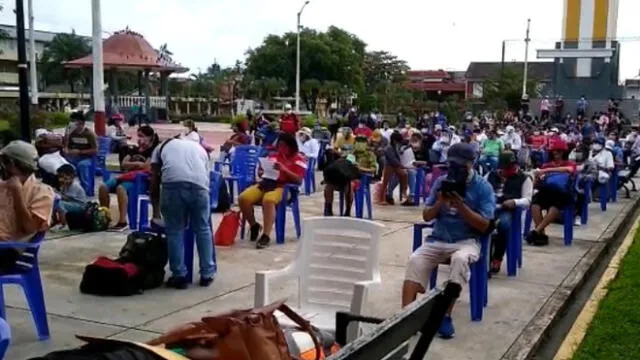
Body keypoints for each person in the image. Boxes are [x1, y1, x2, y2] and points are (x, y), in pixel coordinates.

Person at [402, 143, 495, 339]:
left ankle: (444, 316)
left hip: (467, 241)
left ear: (472, 164)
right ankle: (405, 317)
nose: (456, 170)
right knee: (414, 260)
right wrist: (440, 202)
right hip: (438, 238)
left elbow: (484, 226)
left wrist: (461, 206)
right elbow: (427, 216)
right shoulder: (441, 182)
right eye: (452, 165)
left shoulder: (483, 188)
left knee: (460, 260)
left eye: (461, 166)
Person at [150, 137, 214, 289]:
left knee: (174, 230)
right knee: (203, 229)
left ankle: (179, 275)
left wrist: (156, 211)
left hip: (173, 186)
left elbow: (154, 182)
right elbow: (206, 177)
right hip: (200, 187)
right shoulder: (199, 149)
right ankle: (207, 274)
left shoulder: (159, 149)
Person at [238, 133, 306, 249]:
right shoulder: (274, 156)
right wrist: (261, 171)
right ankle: (254, 225)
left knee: (268, 200)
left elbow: (299, 180)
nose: (281, 149)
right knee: (243, 198)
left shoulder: (299, 159)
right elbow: (264, 171)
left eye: (284, 146)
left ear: (291, 146)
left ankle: (266, 235)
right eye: (279, 146)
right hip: (266, 183)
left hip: (284, 187)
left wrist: (284, 170)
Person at [0, 141, 55, 271]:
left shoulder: (42, 192)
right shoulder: (3, 184)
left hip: (9, 249)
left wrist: (17, 194)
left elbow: (29, 228)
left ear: (12, 164)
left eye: (3, 162)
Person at [98, 125, 160, 230]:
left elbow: (146, 167)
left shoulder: (153, 151)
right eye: (138, 136)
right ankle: (106, 217)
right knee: (103, 187)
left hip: (141, 180)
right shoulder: (133, 149)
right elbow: (123, 164)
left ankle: (122, 221)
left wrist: (136, 165)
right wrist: (138, 163)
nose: (140, 139)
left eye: (142, 136)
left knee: (120, 188)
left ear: (150, 138)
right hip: (126, 177)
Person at [485, 152, 533, 273]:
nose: (507, 170)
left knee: (503, 224)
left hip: (506, 209)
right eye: (505, 167)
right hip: (489, 208)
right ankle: (481, 257)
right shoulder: (491, 175)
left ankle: (497, 258)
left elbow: (527, 200)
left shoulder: (524, 178)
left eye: (510, 166)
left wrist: (515, 202)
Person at [527, 140, 576, 246]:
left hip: (562, 192)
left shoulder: (569, 163)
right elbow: (537, 183)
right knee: (535, 204)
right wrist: (537, 176)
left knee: (555, 206)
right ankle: (541, 235)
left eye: (559, 151)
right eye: (554, 151)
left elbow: (570, 170)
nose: (556, 153)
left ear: (563, 152)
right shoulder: (546, 165)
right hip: (546, 191)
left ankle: (536, 231)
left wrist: (547, 171)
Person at [323, 137, 376, 217]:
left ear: (366, 144)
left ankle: (347, 211)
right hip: (345, 177)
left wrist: (360, 168)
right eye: (357, 141)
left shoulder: (370, 155)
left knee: (350, 185)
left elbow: (373, 169)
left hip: (361, 179)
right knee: (328, 185)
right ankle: (328, 209)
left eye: (361, 142)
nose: (359, 144)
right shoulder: (351, 154)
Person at [63, 111, 98, 193]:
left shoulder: (89, 134)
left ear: (81, 123)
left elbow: (95, 150)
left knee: (82, 165)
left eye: (74, 122)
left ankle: (85, 190)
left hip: (88, 158)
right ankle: (66, 189)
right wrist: (67, 137)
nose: (72, 124)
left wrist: (80, 152)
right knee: (63, 164)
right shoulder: (72, 133)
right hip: (75, 157)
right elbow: (67, 147)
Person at [51, 164, 87, 231]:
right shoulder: (64, 185)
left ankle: (64, 224)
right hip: (71, 203)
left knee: (60, 203)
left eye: (65, 178)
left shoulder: (75, 186)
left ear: (72, 176)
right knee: (54, 202)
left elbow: (69, 199)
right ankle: (55, 221)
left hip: (80, 205)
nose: (61, 180)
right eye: (60, 177)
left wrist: (58, 195)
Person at [377, 132, 408, 205]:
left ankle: (404, 192)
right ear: (394, 141)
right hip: (389, 166)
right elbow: (392, 159)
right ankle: (381, 199)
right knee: (385, 182)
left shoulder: (394, 146)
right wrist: (400, 165)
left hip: (395, 166)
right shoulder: (389, 148)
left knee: (404, 174)